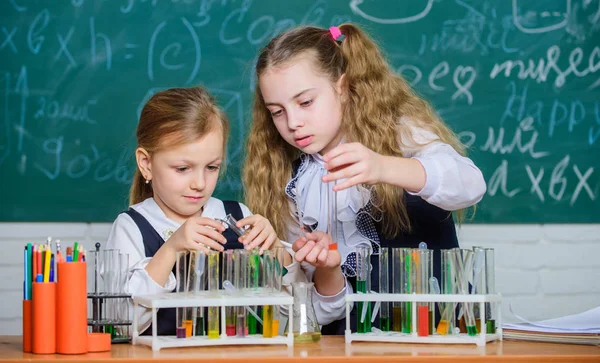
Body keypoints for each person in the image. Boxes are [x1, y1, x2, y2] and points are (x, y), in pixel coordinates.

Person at [243, 24, 487, 334]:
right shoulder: (292, 184)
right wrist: (326, 269)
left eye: (305, 103)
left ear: (342, 88)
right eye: (277, 111)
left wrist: (383, 167)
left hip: (435, 334)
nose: (293, 122)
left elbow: (471, 184)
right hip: (348, 344)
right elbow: (317, 312)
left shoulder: (399, 134)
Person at [105, 86, 290, 335]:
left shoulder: (237, 216)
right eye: (183, 169)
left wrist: (277, 251)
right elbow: (123, 323)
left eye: (212, 167)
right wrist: (171, 248)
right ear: (146, 164)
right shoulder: (131, 227)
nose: (200, 184)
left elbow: (292, 310)